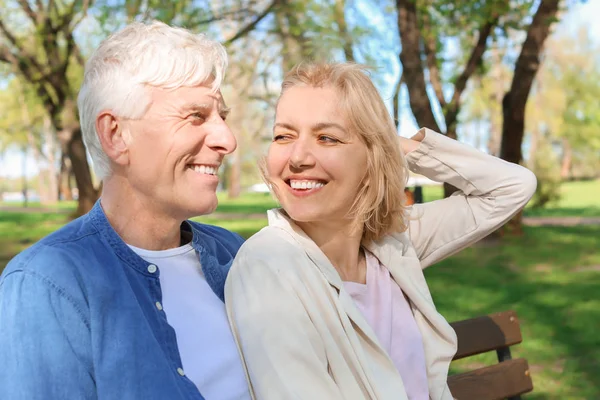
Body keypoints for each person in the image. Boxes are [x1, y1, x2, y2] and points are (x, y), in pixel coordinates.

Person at [225, 62, 537, 400]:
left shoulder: (391, 244)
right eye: (283, 135)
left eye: (326, 137)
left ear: (372, 160)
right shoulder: (268, 265)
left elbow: (512, 187)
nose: (297, 156)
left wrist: (395, 145)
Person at [0, 21, 251, 400]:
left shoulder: (235, 253)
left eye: (222, 116)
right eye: (196, 116)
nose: (227, 140)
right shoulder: (47, 283)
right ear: (116, 135)